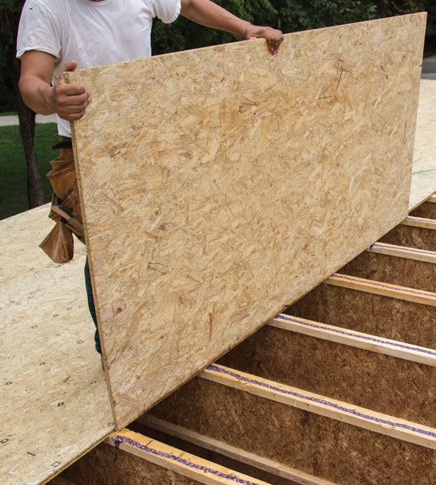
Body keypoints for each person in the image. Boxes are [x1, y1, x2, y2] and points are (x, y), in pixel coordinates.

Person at [16, 0, 283, 354]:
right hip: (90, 147)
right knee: (109, 253)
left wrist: (246, 29)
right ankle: (114, 352)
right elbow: (30, 79)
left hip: (148, 137)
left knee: (165, 237)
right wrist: (52, 98)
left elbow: (188, 3)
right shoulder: (46, 5)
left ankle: (169, 335)